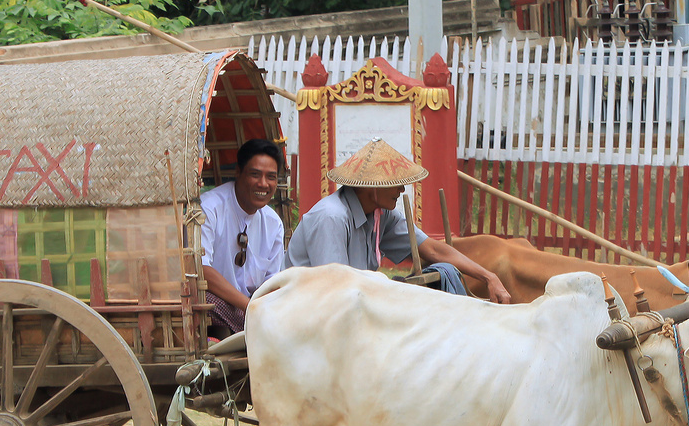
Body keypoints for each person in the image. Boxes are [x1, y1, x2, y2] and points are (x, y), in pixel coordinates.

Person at [285, 139, 512, 304]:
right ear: (371, 187)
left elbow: (433, 249)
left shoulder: (381, 214)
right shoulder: (332, 217)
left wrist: (488, 277)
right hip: (305, 311)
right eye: (395, 183)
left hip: (347, 307)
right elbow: (335, 290)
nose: (402, 189)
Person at [201, 138, 287, 336]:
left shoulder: (273, 223)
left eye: (271, 177)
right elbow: (202, 269)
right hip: (217, 304)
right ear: (238, 173)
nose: (263, 184)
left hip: (251, 307)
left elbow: (271, 281)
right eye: (255, 174)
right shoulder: (209, 208)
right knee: (209, 301)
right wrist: (249, 308)